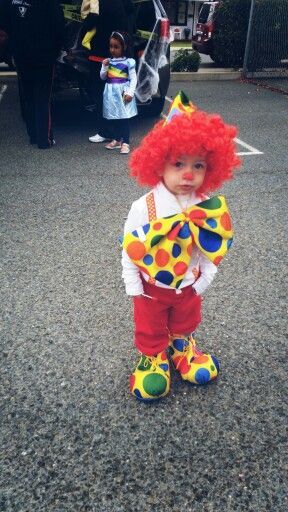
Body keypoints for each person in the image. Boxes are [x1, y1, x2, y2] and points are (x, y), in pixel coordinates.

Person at [121, 91, 241, 401]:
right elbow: (129, 248)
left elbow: (212, 247)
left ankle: (181, 347)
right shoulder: (143, 207)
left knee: (185, 320)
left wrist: (204, 281)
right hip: (150, 287)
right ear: (158, 163)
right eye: (178, 163)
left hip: (189, 286)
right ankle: (154, 357)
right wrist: (134, 287)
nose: (189, 174)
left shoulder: (207, 207)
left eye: (198, 165)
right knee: (150, 326)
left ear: (211, 168)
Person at [0, 0, 67, 149]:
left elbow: (4, 26)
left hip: (21, 55)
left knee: (28, 96)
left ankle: (33, 136)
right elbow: (58, 24)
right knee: (43, 97)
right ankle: (45, 139)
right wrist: (61, 49)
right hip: (44, 55)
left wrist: (11, 51)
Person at [92, 31, 137, 154]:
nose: (112, 50)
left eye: (116, 47)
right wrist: (104, 66)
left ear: (124, 47)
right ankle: (117, 139)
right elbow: (103, 77)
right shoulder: (109, 61)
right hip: (111, 93)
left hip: (123, 93)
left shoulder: (129, 62)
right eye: (111, 46)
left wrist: (130, 92)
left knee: (124, 118)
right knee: (115, 117)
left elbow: (133, 79)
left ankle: (126, 142)